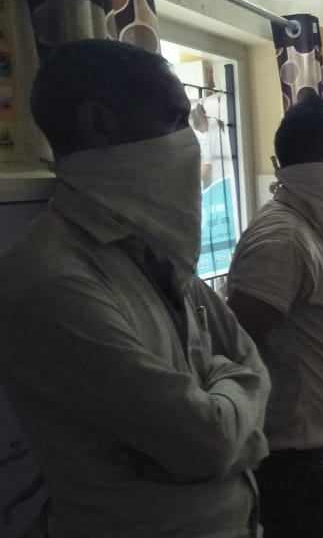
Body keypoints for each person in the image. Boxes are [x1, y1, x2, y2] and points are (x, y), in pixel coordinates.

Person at [0, 39, 269, 538]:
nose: (190, 141)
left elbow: (247, 358)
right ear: (99, 125)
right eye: (174, 120)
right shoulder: (51, 278)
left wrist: (226, 392)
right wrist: (233, 395)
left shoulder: (154, 252)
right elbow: (206, 442)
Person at [226, 98, 323, 538]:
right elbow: (233, 351)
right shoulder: (282, 240)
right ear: (320, 167)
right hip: (298, 467)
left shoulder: (313, 228)